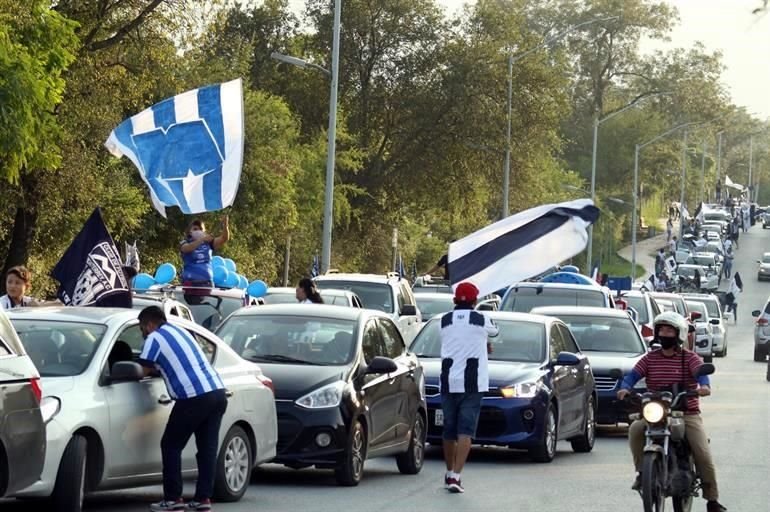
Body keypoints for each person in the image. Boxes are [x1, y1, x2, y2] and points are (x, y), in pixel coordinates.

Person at [617, 312, 726, 512]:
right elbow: (633, 375)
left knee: (702, 453)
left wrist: (703, 386)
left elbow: (701, 374)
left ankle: (712, 499)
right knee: (635, 429)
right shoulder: (650, 358)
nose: (665, 334)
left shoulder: (690, 357)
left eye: (669, 330)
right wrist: (625, 388)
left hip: (686, 413)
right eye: (661, 330)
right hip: (656, 412)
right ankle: (643, 473)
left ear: (679, 334)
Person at [137, 306, 227, 512]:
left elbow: (143, 369)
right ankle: (203, 499)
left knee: (171, 444)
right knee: (206, 449)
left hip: (193, 397)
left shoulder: (154, 338)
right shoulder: (180, 331)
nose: (142, 332)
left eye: (142, 327)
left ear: (150, 324)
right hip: (217, 392)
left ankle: (173, 499)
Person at [439, 282, 499, 493]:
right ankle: (456, 476)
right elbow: (494, 332)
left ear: (455, 299)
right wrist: (483, 345)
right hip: (472, 383)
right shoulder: (482, 319)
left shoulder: (443, 320)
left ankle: (448, 473)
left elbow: (454, 339)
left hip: (448, 381)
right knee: (466, 430)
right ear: (475, 301)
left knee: (449, 429)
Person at [180, 216, 230, 287]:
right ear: (190, 232)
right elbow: (187, 248)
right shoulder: (185, 242)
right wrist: (202, 239)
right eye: (195, 229)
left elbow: (224, 238)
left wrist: (225, 225)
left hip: (207, 283)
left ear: (204, 231)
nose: (198, 231)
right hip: (190, 283)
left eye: (201, 229)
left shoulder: (209, 243)